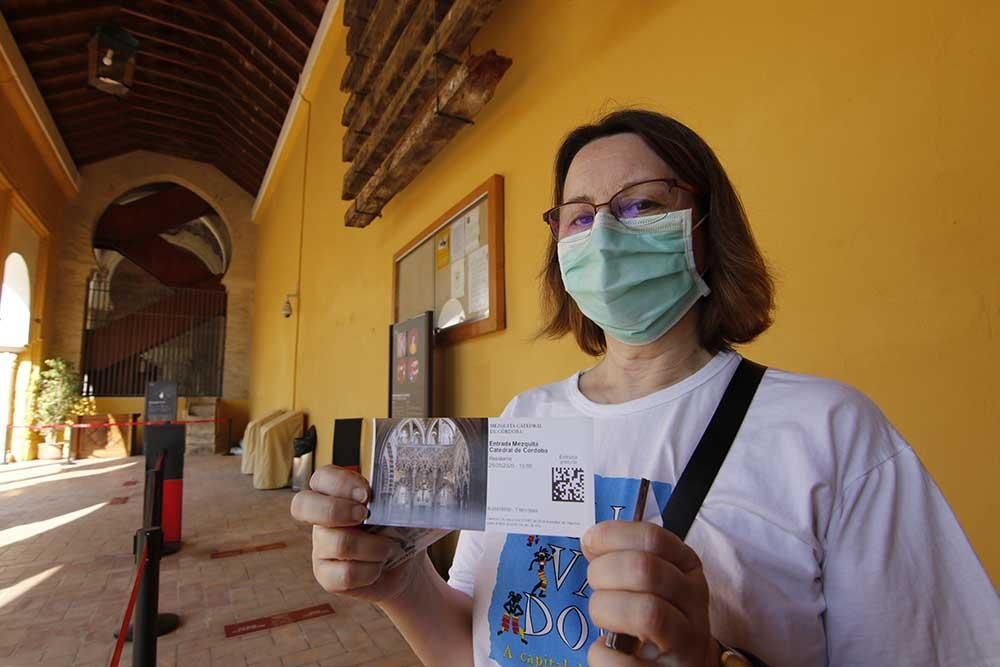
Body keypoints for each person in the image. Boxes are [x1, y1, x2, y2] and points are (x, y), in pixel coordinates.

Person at [291, 109, 1000, 666]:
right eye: (578, 214)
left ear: (702, 226)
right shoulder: (525, 419)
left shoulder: (832, 432)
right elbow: (473, 649)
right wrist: (398, 584)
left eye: (638, 206)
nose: (602, 232)